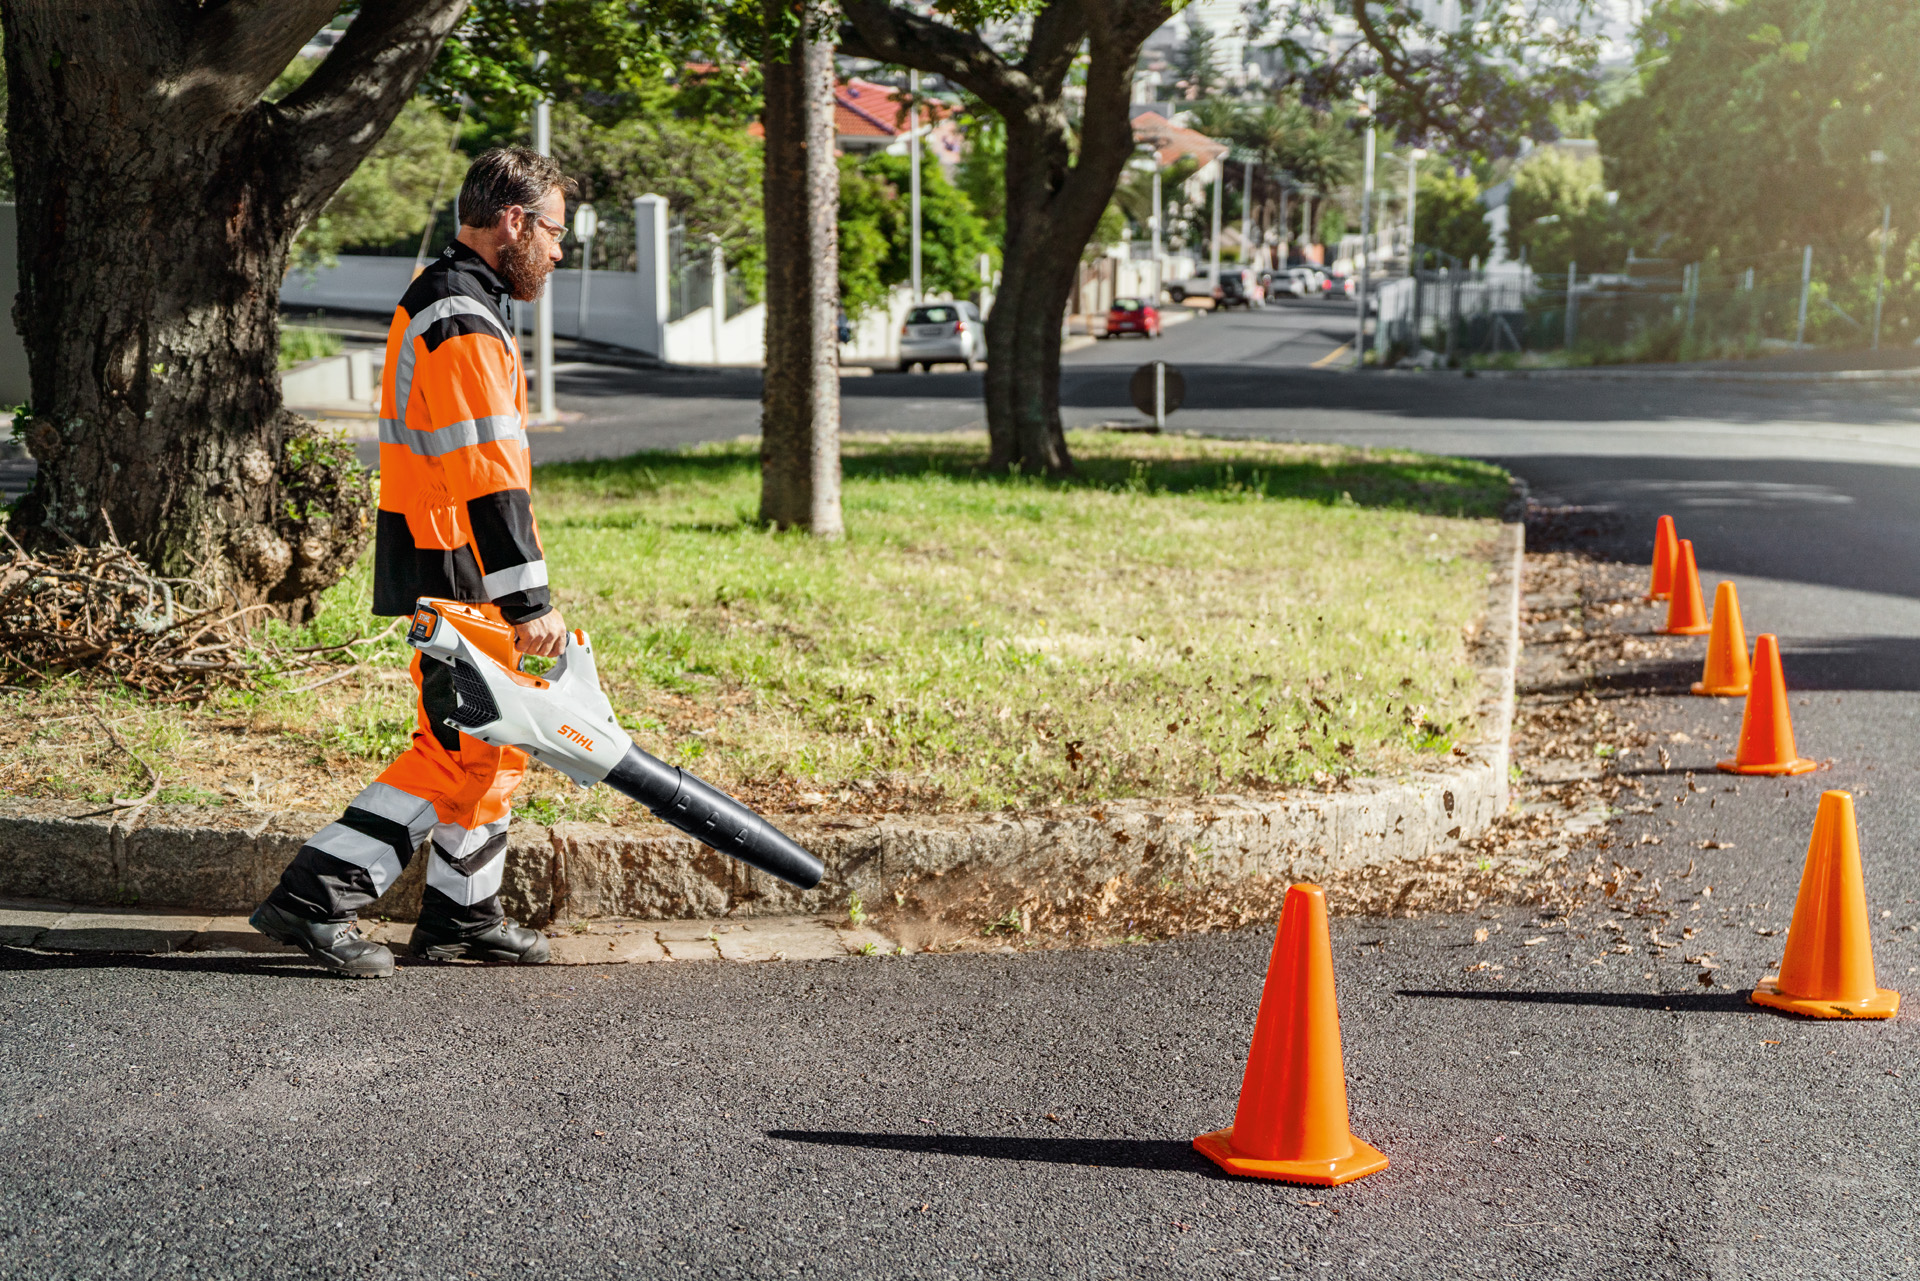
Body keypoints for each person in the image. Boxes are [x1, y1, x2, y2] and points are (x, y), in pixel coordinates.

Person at [250, 149, 577, 977]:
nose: (559, 251)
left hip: (452, 555)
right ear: (514, 222)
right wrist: (528, 598)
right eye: (556, 232)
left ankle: (463, 916)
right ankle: (313, 896)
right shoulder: (460, 313)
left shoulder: (460, 300)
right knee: (455, 749)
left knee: (487, 744)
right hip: (456, 560)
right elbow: (487, 469)